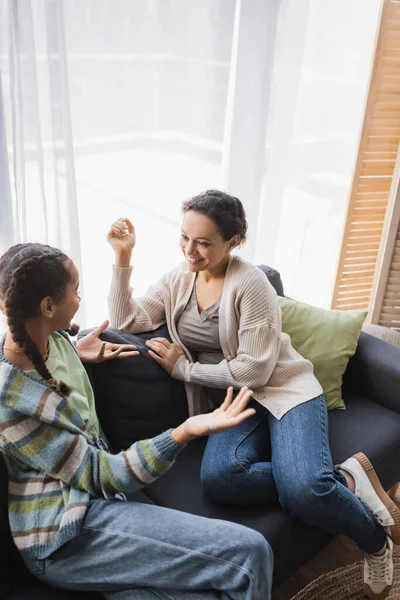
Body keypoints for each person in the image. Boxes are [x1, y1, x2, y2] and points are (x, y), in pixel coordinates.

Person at [107, 188, 400, 600]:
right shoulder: (178, 278)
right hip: (235, 400)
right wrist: (122, 258)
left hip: (282, 388)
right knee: (220, 479)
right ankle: (346, 478)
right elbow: (127, 320)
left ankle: (375, 542)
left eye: (204, 243)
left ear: (233, 242)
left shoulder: (252, 285)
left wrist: (184, 368)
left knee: (304, 491)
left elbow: (256, 369)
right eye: (185, 237)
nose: (190, 250)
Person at [0, 242, 273, 600]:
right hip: (61, 532)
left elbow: (56, 373)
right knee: (249, 553)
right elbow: (101, 473)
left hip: (99, 507)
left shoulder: (52, 340)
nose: (80, 300)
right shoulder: (14, 401)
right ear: (48, 306)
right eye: (76, 292)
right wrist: (184, 432)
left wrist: (78, 353)